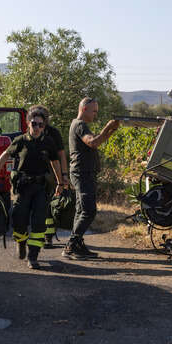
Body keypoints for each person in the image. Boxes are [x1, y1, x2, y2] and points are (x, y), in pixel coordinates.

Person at [0, 107, 66, 269]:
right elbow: (5, 155)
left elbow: (55, 163)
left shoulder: (48, 142)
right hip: (23, 188)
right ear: (28, 124)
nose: (37, 127)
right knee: (18, 219)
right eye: (34, 124)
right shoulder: (21, 141)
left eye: (41, 125)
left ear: (44, 126)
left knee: (39, 223)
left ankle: (33, 256)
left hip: (41, 188)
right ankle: (21, 242)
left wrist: (60, 182)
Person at [62, 97, 120, 259]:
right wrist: (107, 127)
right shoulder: (80, 125)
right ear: (84, 109)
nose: (95, 114)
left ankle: (77, 243)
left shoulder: (79, 125)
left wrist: (111, 131)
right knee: (89, 210)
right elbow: (93, 143)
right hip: (82, 173)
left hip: (84, 173)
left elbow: (97, 141)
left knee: (81, 210)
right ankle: (72, 245)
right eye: (94, 111)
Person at [31, 105, 68, 247]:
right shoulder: (30, 131)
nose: (37, 125)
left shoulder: (53, 133)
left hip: (50, 175)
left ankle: (47, 237)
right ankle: (40, 235)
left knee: (47, 207)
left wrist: (63, 176)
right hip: (33, 175)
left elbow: (61, 155)